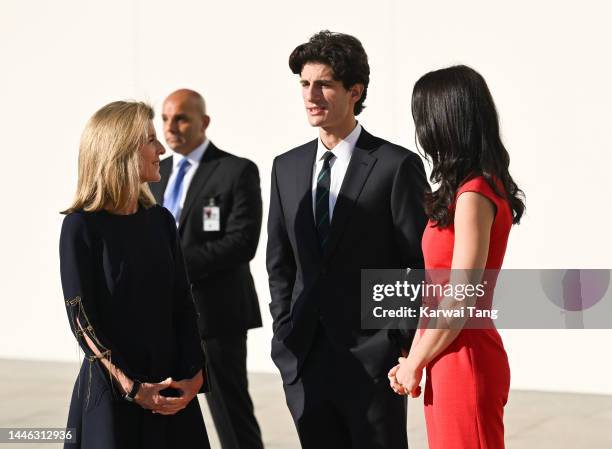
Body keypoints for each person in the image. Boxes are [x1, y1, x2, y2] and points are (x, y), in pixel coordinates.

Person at [266, 30, 429, 449]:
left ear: (355, 91)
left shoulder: (396, 166)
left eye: (324, 84)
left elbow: (416, 264)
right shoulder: (286, 167)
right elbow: (279, 263)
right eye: (304, 83)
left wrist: (396, 342)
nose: (311, 94)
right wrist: (285, 335)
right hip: (304, 358)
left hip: (373, 362)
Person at [389, 65, 526, 449]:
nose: (421, 131)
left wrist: (414, 362)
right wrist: (415, 358)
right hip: (447, 356)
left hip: (465, 357)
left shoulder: (474, 193)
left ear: (446, 121)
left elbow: (462, 295)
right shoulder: (468, 190)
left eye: (424, 118)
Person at [59, 101, 210, 449]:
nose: (161, 150)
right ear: (121, 149)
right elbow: (81, 318)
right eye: (151, 140)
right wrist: (131, 387)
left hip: (171, 388)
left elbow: (182, 303)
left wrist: (195, 373)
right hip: (114, 392)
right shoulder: (81, 226)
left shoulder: (160, 220)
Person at [149, 89, 264, 449]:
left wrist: (172, 267)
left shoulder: (235, 170)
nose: (171, 127)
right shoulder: (155, 172)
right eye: (166, 118)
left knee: (230, 413)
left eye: (181, 118)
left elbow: (241, 242)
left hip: (216, 317)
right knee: (167, 414)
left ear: (204, 122)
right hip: (161, 317)